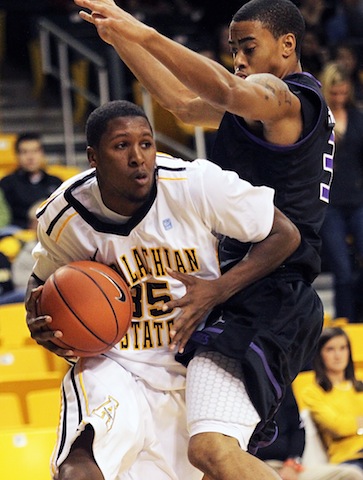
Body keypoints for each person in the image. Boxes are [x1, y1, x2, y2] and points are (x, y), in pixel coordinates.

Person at [73, 0, 335, 476]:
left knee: (211, 451)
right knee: (212, 457)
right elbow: (181, 103)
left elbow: (227, 88)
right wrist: (124, 41)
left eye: (248, 47)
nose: (238, 58)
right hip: (256, 292)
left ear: (287, 45)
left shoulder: (287, 100)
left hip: (273, 289)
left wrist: (142, 29)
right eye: (232, 48)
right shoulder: (257, 113)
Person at [25, 99, 300, 480]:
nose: (138, 157)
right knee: (79, 466)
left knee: (213, 460)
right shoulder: (65, 214)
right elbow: (40, 283)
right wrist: (35, 319)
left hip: (199, 360)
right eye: (121, 146)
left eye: (146, 143)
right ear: (93, 157)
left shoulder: (194, 183)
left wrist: (218, 289)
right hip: (116, 361)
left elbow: (284, 233)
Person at [318, 62, 363, 323]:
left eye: (343, 92)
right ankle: (346, 323)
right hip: (329, 203)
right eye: (334, 92)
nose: (339, 97)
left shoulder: (358, 117)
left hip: (358, 199)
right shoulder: (318, 119)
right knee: (342, 270)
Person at [256, 384, 363, 480]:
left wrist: (292, 462)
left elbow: (297, 429)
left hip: (291, 466)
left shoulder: (282, 382)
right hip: (259, 465)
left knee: (352, 475)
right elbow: (339, 427)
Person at [301, 327, 363, 471]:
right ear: (320, 354)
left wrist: (355, 427)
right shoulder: (312, 393)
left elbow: (344, 425)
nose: (338, 355)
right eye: (330, 349)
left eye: (343, 348)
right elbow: (338, 427)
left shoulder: (360, 385)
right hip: (348, 459)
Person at [0, 132, 62, 234]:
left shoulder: (56, 182)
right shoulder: (7, 183)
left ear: (42, 153)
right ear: (17, 155)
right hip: (16, 233)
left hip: (50, 232)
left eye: (35, 151)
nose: (30, 157)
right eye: (24, 152)